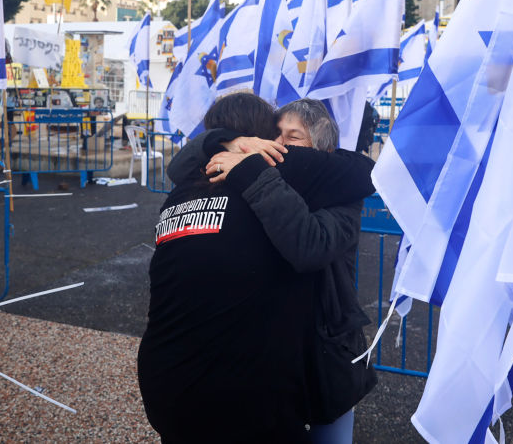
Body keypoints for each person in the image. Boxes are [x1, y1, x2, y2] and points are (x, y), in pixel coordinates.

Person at [138, 92, 375, 443]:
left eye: (292, 139)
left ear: (322, 155)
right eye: (272, 136)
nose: (277, 147)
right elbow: (181, 166)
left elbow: (315, 239)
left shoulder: (328, 189)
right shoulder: (238, 182)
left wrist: (247, 163)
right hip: (261, 373)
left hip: (325, 357)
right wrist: (226, 143)